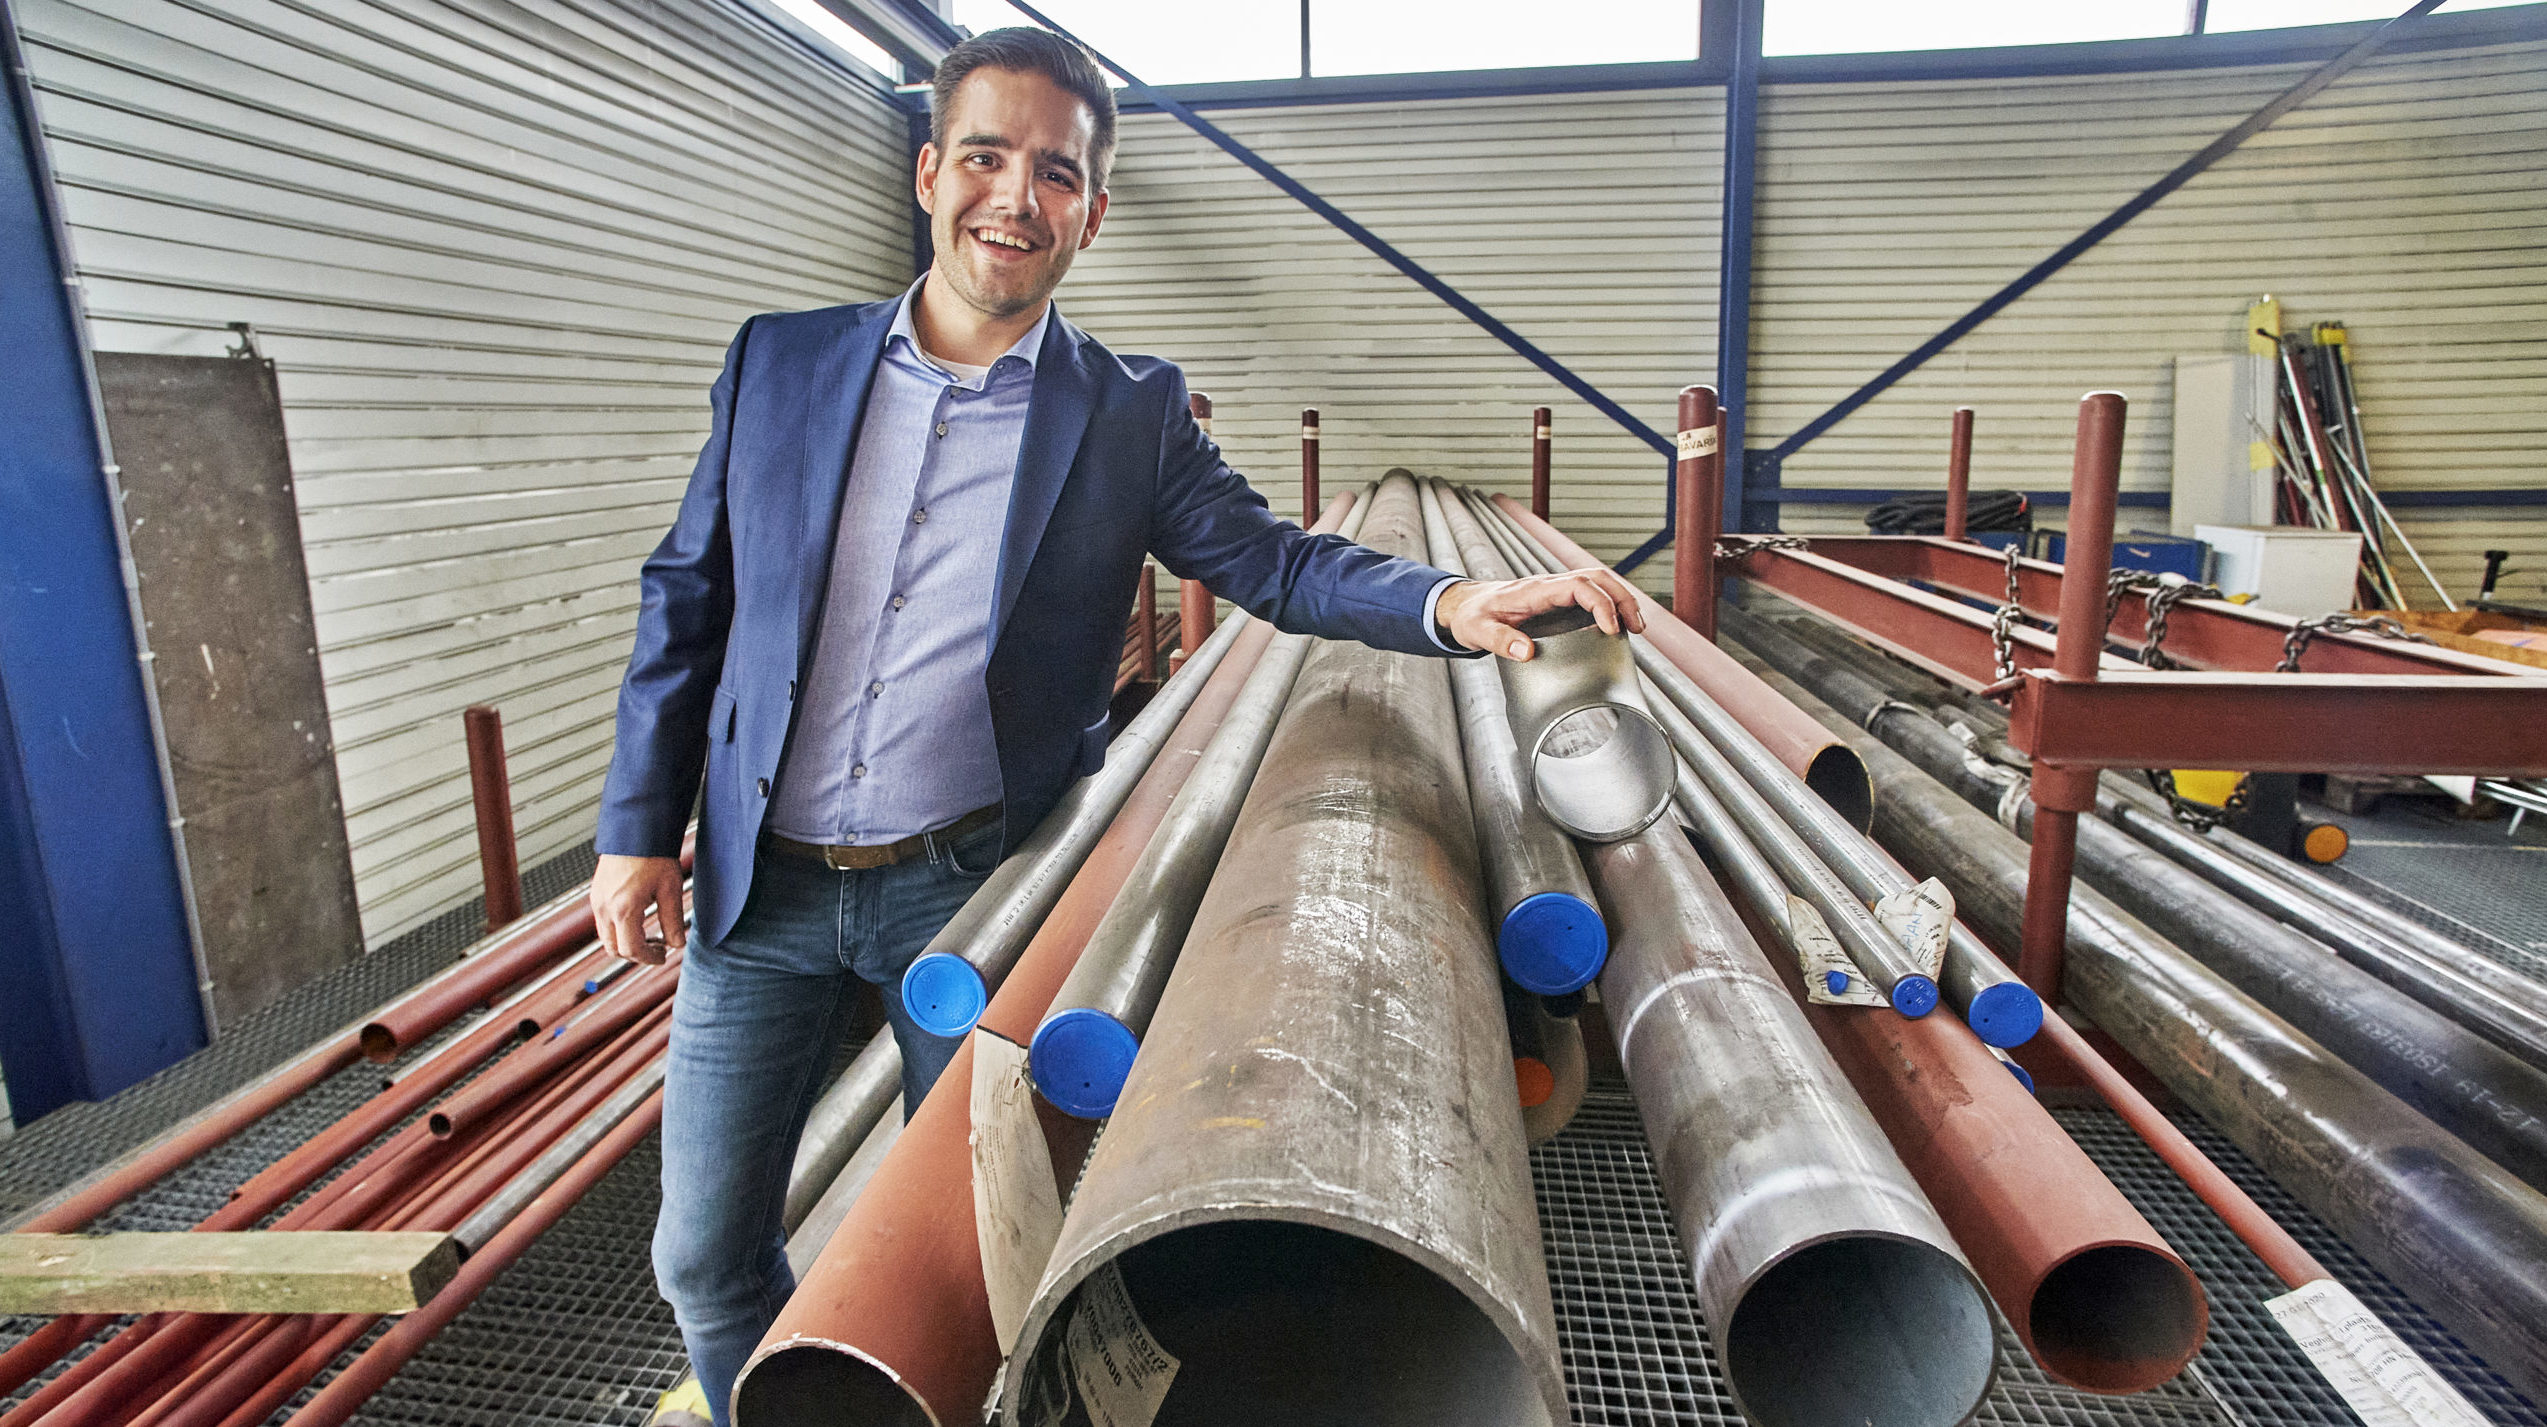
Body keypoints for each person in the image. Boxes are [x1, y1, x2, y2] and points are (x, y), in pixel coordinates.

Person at [590, 27, 1643, 1424]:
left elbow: (1279, 562)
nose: (1013, 198)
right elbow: (691, 598)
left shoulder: (1126, 413)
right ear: (927, 172)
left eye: (1055, 173)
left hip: (969, 889)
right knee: (706, 1254)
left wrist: (1453, 602)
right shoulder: (778, 367)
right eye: (985, 156)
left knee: (977, 1251)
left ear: (1091, 212)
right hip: (758, 887)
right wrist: (632, 829)